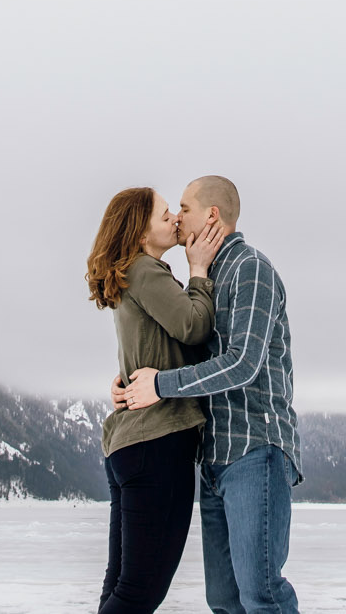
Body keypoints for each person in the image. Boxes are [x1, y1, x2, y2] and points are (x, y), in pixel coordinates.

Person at [117, 175, 301, 614]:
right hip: (215, 459)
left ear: (211, 215)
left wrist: (159, 385)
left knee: (262, 593)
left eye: (184, 208)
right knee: (223, 599)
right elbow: (186, 351)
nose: (177, 218)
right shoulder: (207, 278)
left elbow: (242, 364)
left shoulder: (250, 269)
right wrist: (128, 381)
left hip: (256, 448)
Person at [87, 186, 226, 614]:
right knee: (139, 592)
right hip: (157, 442)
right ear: (140, 232)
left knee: (122, 586)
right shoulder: (147, 270)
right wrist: (199, 271)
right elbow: (192, 327)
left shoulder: (131, 274)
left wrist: (122, 381)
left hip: (130, 446)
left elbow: (148, 348)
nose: (174, 220)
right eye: (165, 214)